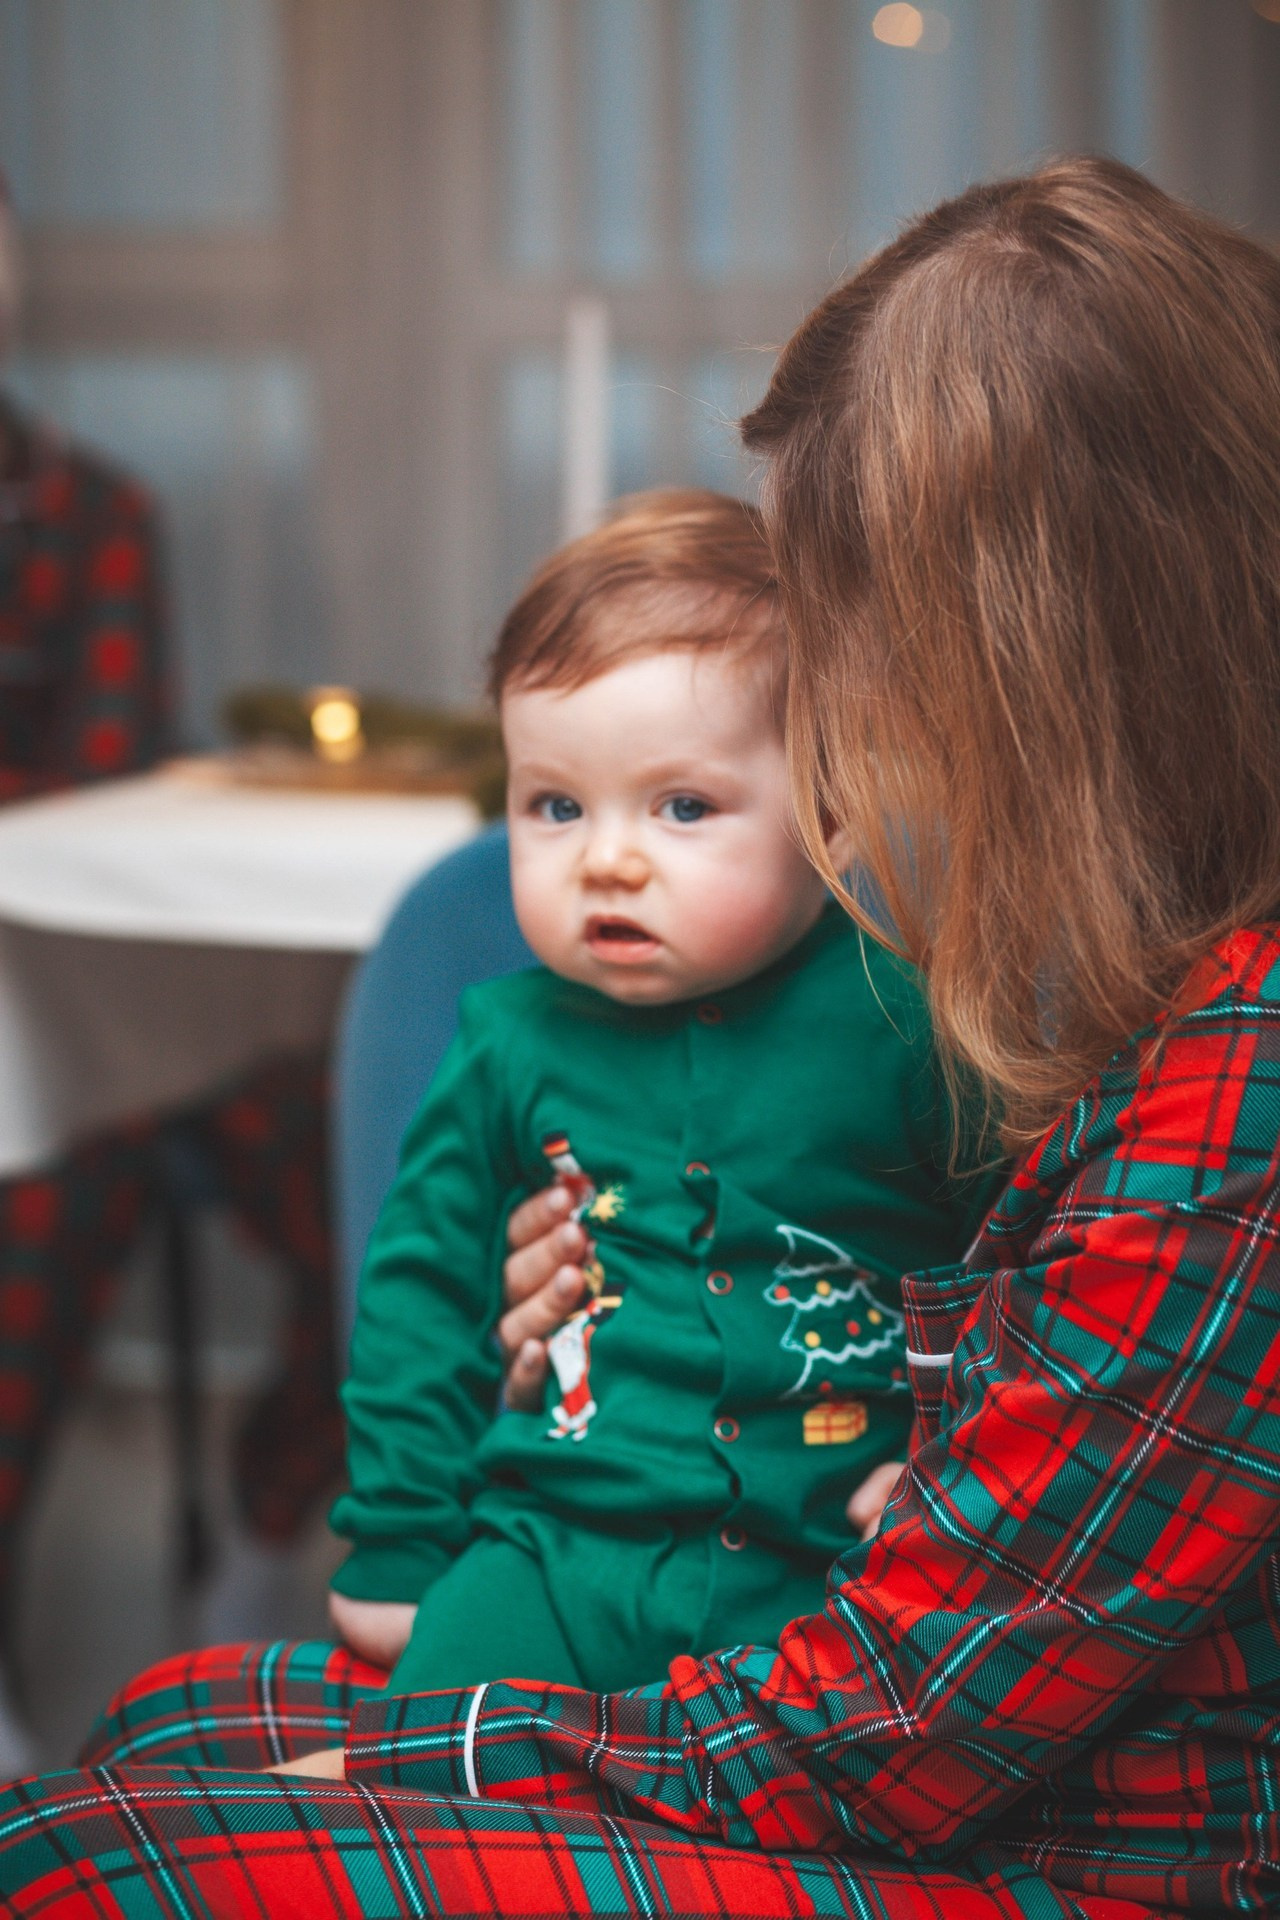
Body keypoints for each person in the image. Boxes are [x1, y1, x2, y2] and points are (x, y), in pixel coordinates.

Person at [1, 153, 1278, 1916]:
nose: (858, 727)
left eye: (875, 649)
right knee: (165, 1725)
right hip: (912, 1716)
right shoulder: (1180, 984)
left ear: (1045, 659)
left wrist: (429, 1757)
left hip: (1070, 1839)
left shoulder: (1243, 1071)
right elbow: (1022, 1392)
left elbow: (880, 1733)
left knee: (95, 1861)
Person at [325, 488, 999, 1694]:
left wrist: (950, 1464)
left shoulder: (911, 1022)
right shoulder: (504, 1040)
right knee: (415, 1773)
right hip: (553, 1547)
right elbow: (417, 1293)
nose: (608, 857)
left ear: (830, 812)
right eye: (554, 805)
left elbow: (1020, 1252)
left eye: (682, 806)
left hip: (823, 1568)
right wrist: (400, 1536)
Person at [0, 176, 343, 1765]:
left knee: (391, 1196)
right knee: (44, 1193)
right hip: (41, 1052)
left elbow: (100, 781)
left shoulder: (91, 511)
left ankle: (270, 1539)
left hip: (149, 1028)